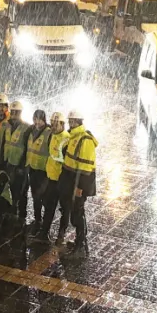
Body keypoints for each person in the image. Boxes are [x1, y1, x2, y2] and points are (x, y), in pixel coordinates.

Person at [59, 110, 98, 260]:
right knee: (75, 212)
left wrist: (80, 187)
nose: (71, 124)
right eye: (70, 121)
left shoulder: (85, 140)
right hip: (71, 181)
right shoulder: (73, 136)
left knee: (77, 214)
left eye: (73, 121)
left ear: (79, 122)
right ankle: (79, 241)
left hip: (78, 183)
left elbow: (85, 168)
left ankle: (80, 245)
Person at [39, 112, 70, 243]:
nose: (52, 126)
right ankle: (44, 233)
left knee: (65, 207)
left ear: (62, 124)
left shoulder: (66, 139)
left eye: (55, 124)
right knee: (49, 205)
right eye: (51, 124)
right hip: (51, 177)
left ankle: (61, 234)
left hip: (62, 180)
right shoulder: (52, 135)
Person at [23, 109, 52, 231]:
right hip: (32, 168)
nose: (37, 122)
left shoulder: (48, 133)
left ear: (44, 120)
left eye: (39, 119)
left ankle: (45, 224)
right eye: (35, 119)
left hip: (43, 171)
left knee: (44, 197)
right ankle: (38, 220)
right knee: (35, 196)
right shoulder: (31, 131)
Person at [0, 101, 30, 219]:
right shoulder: (6, 125)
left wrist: (23, 165)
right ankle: (11, 210)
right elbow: (4, 143)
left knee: (21, 190)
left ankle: (22, 214)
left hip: (19, 164)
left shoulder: (26, 128)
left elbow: (28, 148)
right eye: (12, 112)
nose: (14, 114)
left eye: (16, 112)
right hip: (8, 162)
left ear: (20, 113)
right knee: (10, 188)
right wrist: (2, 160)